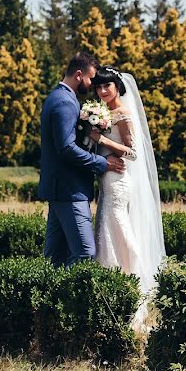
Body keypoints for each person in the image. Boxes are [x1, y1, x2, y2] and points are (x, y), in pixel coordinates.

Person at [88, 65, 166, 331]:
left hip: (119, 181)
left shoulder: (123, 113)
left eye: (106, 86)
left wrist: (104, 141)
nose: (101, 91)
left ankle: (134, 278)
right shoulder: (102, 113)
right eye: (98, 87)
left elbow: (133, 153)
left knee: (116, 227)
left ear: (117, 87)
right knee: (106, 227)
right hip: (106, 180)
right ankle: (112, 284)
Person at [38, 53, 126, 267]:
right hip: (69, 189)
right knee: (85, 253)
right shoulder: (65, 102)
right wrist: (102, 163)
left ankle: (49, 298)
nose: (92, 84)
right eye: (91, 78)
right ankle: (72, 300)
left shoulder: (58, 97)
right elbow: (66, 148)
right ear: (79, 75)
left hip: (61, 188)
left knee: (55, 257)